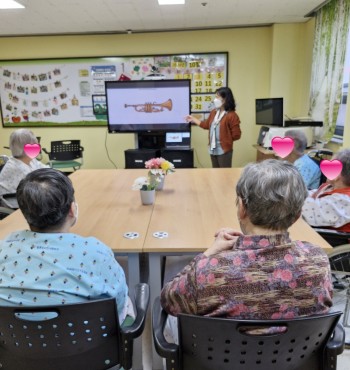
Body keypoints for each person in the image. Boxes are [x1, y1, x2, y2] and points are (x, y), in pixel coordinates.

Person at [161, 160, 332, 341]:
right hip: (297, 362)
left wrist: (207, 254)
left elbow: (168, 301)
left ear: (242, 208)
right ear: (297, 216)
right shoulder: (318, 261)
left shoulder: (209, 271)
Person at [0, 168, 134, 325]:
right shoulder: (96, 252)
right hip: (87, 346)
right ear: (72, 210)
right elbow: (118, 303)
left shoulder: (4, 248)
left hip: (15, 346)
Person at [185, 87, 241, 168]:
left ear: (225, 99)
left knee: (224, 175)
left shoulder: (232, 115)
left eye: (217, 97)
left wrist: (225, 140)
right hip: (213, 149)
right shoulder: (214, 112)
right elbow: (206, 125)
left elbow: (237, 135)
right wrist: (193, 119)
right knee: (216, 174)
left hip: (224, 150)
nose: (215, 99)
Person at [302, 148, 350, 233]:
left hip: (331, 241)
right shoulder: (329, 187)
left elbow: (309, 211)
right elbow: (310, 194)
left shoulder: (345, 200)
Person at [0, 129, 47, 209]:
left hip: (28, 197)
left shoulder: (29, 159)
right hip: (16, 204)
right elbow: (37, 186)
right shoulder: (16, 167)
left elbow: (46, 169)